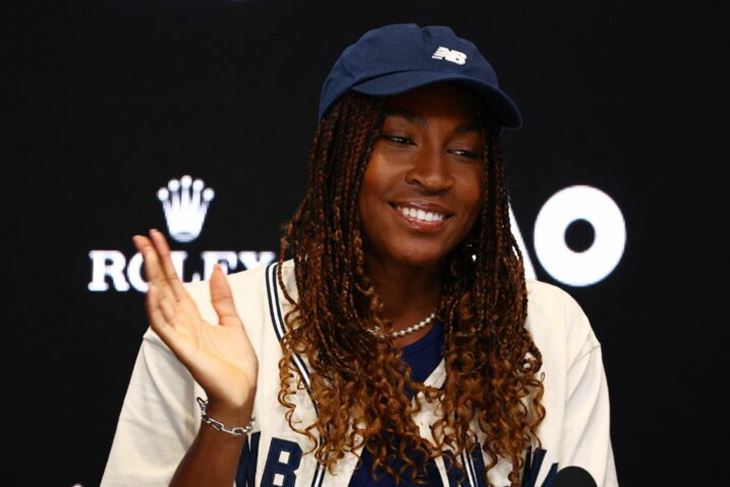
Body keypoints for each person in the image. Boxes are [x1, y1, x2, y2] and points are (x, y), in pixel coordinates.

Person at [101, 23, 618, 487]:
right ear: (338, 156)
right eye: (399, 138)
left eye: (464, 152)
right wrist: (229, 413)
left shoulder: (548, 331)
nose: (435, 175)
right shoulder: (214, 324)